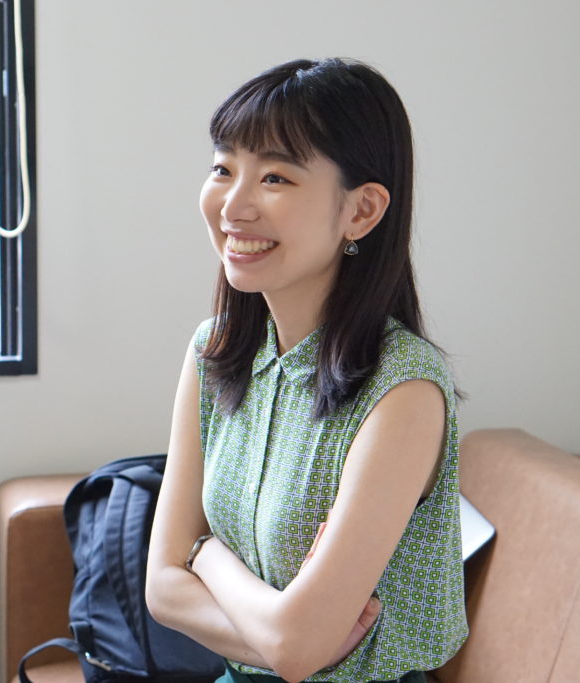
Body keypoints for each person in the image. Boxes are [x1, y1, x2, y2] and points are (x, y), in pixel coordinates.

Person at [146, 57, 468, 683]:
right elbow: (162, 589)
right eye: (223, 168)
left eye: (275, 177)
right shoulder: (215, 350)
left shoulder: (404, 388)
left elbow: (297, 649)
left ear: (361, 211)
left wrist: (204, 555)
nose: (233, 206)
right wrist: (278, 629)